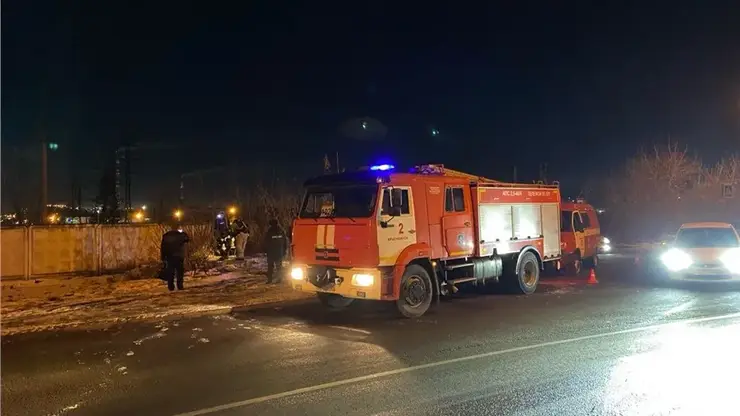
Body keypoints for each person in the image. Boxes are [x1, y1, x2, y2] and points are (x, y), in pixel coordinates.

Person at [160, 223, 190, 291]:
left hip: (169, 256)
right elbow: (187, 239)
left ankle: (170, 286)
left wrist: (163, 257)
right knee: (180, 271)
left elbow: (163, 247)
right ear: (177, 227)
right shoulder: (180, 235)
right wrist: (182, 231)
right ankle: (180, 286)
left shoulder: (166, 235)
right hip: (179, 256)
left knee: (170, 272)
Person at [264, 218, 287, 283]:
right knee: (279, 266)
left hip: (271, 252)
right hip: (279, 251)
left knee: (270, 266)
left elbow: (266, 241)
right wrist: (284, 250)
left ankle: (270, 280)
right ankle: (279, 279)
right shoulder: (281, 231)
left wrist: (265, 250)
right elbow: (285, 241)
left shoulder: (269, 231)